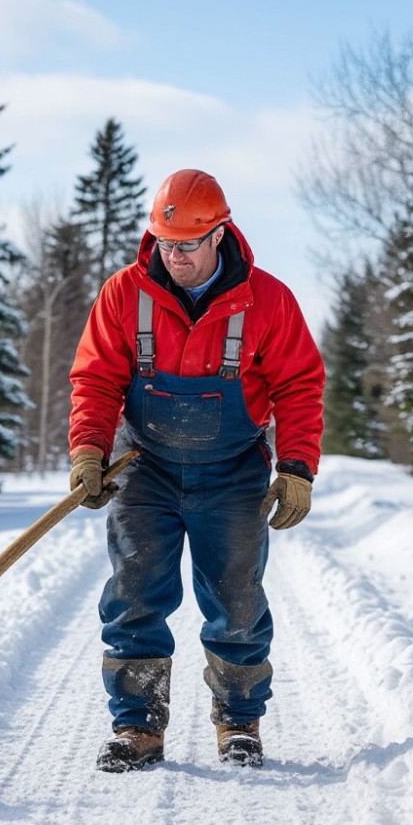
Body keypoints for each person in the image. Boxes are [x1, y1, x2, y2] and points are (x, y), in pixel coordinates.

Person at [68, 169, 325, 772]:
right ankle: (137, 729)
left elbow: (299, 386)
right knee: (133, 595)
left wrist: (296, 468)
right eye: (164, 242)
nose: (174, 255)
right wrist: (88, 451)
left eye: (187, 244)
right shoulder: (122, 295)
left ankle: (239, 723)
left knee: (236, 600)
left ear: (219, 234)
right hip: (144, 467)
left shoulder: (269, 300)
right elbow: (96, 379)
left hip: (233, 471)